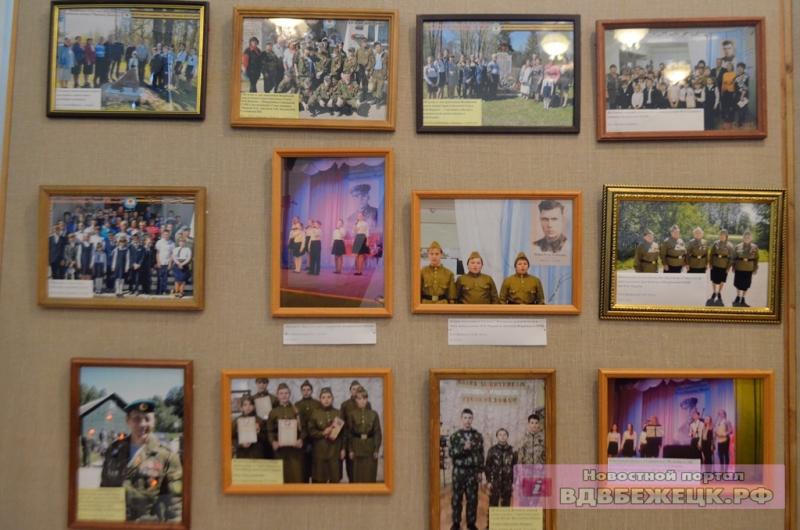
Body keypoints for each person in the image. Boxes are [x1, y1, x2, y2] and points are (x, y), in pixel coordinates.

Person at [100, 399, 182, 522]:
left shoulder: (167, 456)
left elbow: (175, 506)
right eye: (136, 419)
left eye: (147, 419)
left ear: (154, 421)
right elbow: (104, 490)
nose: (142, 424)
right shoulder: (113, 451)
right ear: (128, 420)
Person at [449, 408, 484, 530]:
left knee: (472, 499)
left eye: (469, 418)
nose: (467, 420)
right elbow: (451, 453)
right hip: (458, 472)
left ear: (472, 419)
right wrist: (463, 448)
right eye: (465, 418)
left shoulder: (478, 436)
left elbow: (481, 455)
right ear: (461, 419)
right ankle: (456, 523)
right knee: (456, 498)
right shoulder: (455, 436)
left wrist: (480, 471)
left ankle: (471, 523)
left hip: (472, 472)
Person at [266, 383, 305, 483]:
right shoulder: (273, 412)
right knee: (281, 478)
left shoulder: (296, 410)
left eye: (286, 393)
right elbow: (269, 430)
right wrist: (273, 442)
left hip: (294, 451)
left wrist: (301, 439)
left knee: (296, 477)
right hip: (280, 450)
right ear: (277, 395)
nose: (284, 395)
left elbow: (304, 429)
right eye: (281, 393)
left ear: (290, 394)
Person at [308, 387, 345, 483]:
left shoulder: (338, 413)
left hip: (334, 451)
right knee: (319, 480)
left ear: (332, 399)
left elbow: (343, 433)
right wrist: (322, 433)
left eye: (329, 397)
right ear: (320, 399)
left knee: (335, 479)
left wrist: (343, 449)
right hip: (319, 451)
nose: (326, 400)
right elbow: (311, 431)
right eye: (323, 397)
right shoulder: (315, 413)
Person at [346, 386, 382, 483]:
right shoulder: (352, 414)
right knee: (357, 476)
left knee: (370, 475)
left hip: (370, 447)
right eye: (359, 398)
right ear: (356, 400)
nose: (362, 401)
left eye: (364, 398)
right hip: (357, 447)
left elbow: (377, 432)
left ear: (367, 399)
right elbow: (349, 433)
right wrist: (350, 450)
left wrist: (376, 449)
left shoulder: (373, 414)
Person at [340, 380, 371, 482]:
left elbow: (369, 421)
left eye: (358, 389)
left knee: (363, 471)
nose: (356, 391)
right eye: (353, 389)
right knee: (352, 471)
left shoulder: (367, 404)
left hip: (363, 442)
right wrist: (343, 446)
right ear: (350, 391)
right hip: (349, 440)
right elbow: (341, 425)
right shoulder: (345, 405)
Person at [484, 428, 516, 516]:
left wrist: (514, 482)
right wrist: (489, 481)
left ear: (507, 436)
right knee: (493, 504)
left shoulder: (512, 450)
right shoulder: (492, 450)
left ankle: (503, 523)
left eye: (504, 435)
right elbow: (487, 466)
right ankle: (492, 523)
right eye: (500, 435)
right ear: (497, 437)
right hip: (495, 482)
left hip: (507, 482)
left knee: (506, 505)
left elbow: (515, 467)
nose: (502, 437)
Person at [295, 380, 322, 483]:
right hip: (302, 438)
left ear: (312, 391)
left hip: (315, 438)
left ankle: (315, 485)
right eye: (304, 390)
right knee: (303, 464)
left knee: (316, 464)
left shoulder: (317, 404)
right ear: (301, 391)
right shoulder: (297, 404)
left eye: (308, 390)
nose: (306, 392)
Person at [708, 229, 736, 306]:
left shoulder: (730, 245)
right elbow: (711, 254)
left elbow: (731, 258)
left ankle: (719, 292)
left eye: (723, 235)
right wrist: (710, 263)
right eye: (720, 235)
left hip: (724, 266)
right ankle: (714, 292)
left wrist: (728, 268)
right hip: (715, 264)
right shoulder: (715, 243)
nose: (722, 236)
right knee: (714, 280)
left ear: (726, 236)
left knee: (722, 280)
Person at [732, 230, 758, 307]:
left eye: (748, 237)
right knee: (738, 284)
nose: (747, 238)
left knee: (746, 285)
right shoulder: (738, 246)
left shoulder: (755, 247)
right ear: (743, 238)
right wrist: (733, 267)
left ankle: (743, 298)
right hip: (739, 268)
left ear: (751, 238)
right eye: (745, 237)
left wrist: (755, 269)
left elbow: (756, 259)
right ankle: (737, 297)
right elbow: (734, 258)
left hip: (749, 269)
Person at [155, 230, 174, 295]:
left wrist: (170, 263)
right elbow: (157, 253)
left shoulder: (172, 243)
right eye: (165, 234)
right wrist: (158, 262)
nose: (166, 235)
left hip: (167, 263)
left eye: (167, 234)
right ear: (162, 235)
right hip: (160, 262)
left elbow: (172, 254)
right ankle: (158, 291)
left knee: (165, 278)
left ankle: (164, 291)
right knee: (159, 277)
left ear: (169, 235)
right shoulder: (159, 242)